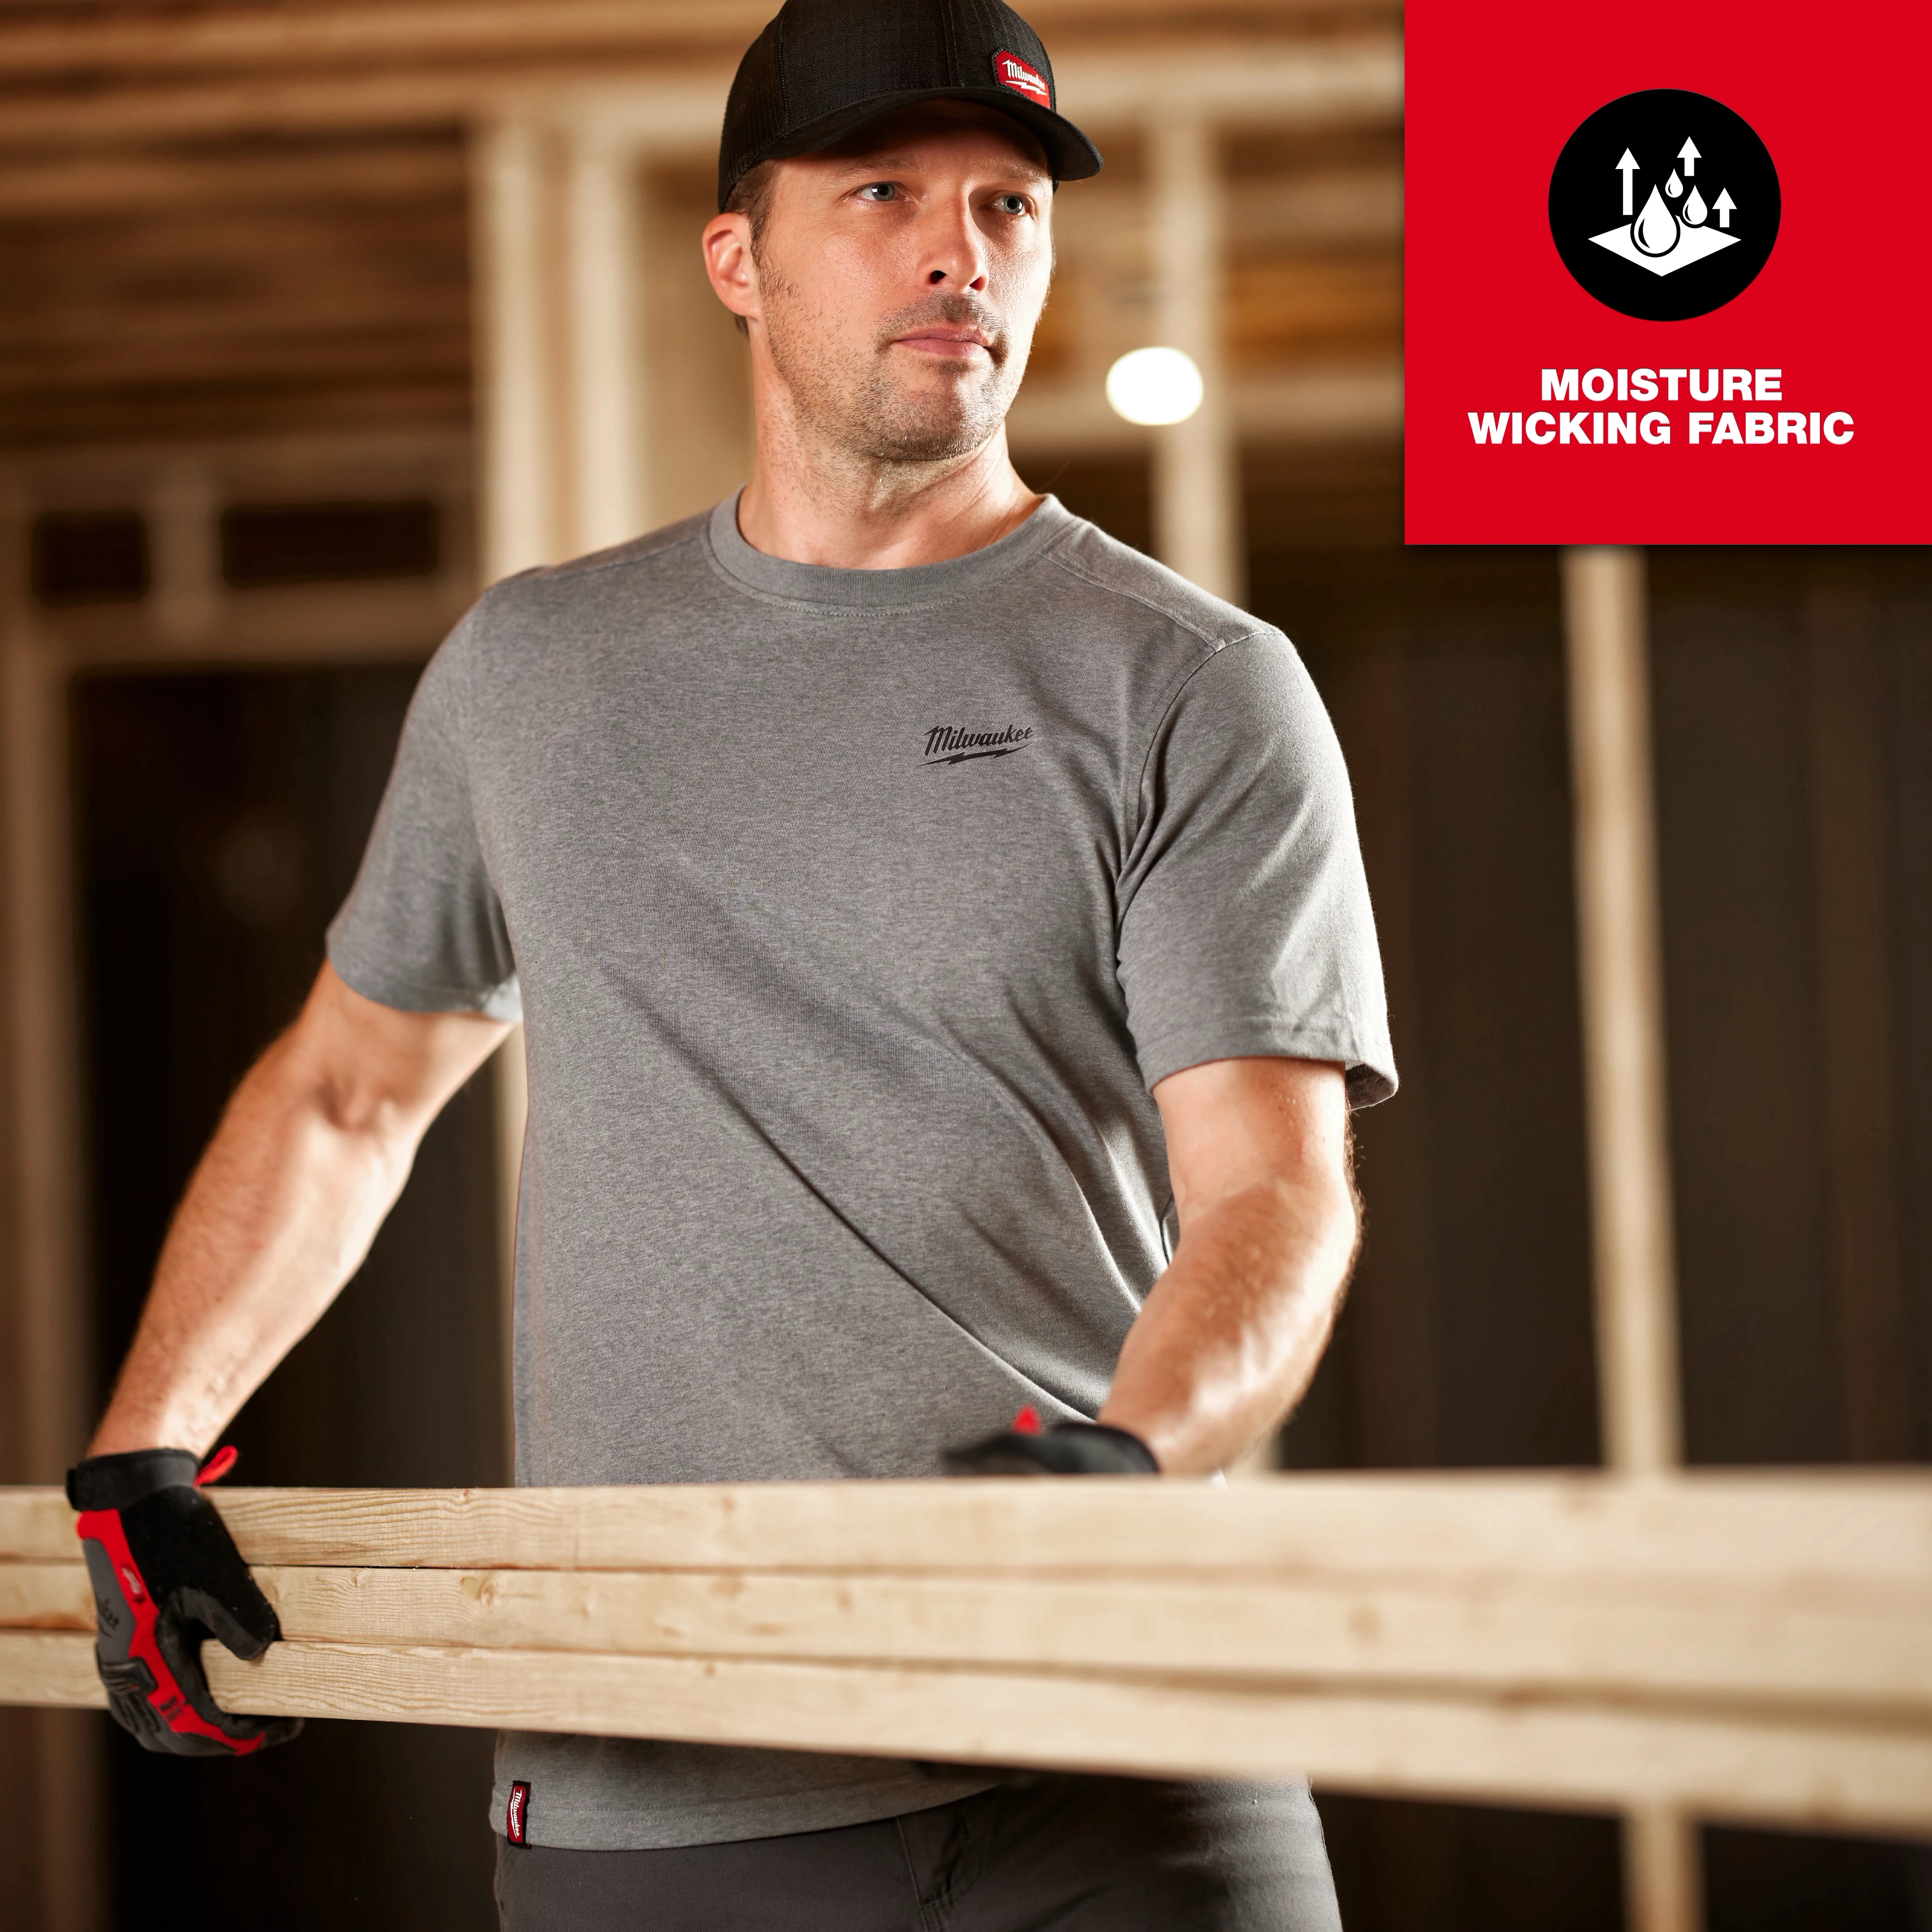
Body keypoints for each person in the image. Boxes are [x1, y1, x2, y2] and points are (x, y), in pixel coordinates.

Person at [66, 0, 1395, 1922]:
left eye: (1009, 204)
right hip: (666, 1795)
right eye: (883, 192)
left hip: (1118, 1753)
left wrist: (1123, 1458)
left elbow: (1271, 1193)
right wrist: (144, 1447)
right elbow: (353, 1087)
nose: (965, 252)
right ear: (734, 258)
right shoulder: (537, 673)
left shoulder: (1187, 682)